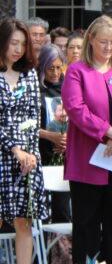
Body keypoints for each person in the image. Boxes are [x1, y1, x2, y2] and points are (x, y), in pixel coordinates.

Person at [61, 15, 112, 263]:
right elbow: (76, 108)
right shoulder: (77, 71)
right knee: (86, 227)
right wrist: (108, 131)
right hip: (89, 163)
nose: (108, 48)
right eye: (103, 42)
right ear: (91, 41)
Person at [0, 19, 48, 263]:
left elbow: (33, 117)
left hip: (27, 159)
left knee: (24, 221)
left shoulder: (29, 74)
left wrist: (28, 153)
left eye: (22, 43)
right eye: (12, 43)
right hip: (3, 154)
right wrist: (14, 149)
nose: (17, 49)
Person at [38, 44, 69, 168]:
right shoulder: (35, 89)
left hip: (67, 153)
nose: (55, 73)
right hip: (42, 154)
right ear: (42, 67)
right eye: (50, 68)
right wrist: (51, 136)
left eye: (58, 67)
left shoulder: (69, 86)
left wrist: (67, 140)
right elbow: (26, 126)